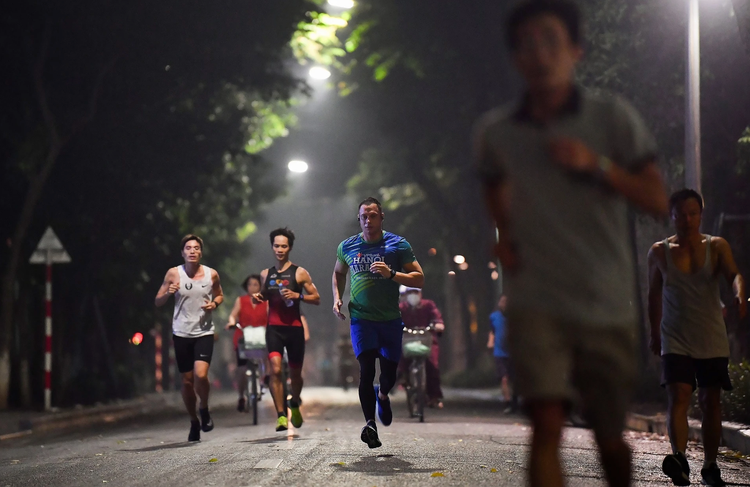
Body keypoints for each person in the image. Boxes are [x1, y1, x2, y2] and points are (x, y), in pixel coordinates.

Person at [475, 2, 669, 486]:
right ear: (515, 57)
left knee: (607, 436)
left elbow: (656, 199)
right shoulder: (497, 134)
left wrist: (597, 165)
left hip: (603, 300)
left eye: (551, 40)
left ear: (576, 49)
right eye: (527, 44)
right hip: (535, 299)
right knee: (545, 426)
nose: (540, 54)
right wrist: (505, 237)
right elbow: (493, 188)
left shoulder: (612, 118)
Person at [648, 189, 746, 487]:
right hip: (675, 336)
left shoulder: (716, 246)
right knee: (678, 394)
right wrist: (654, 332)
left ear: (700, 215)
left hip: (710, 336)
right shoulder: (659, 252)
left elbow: (734, 275)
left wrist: (740, 294)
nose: (687, 220)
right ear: (672, 216)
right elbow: (653, 296)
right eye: (681, 214)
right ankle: (679, 459)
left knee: (710, 400)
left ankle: (710, 465)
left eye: (693, 213)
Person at [332, 197, 425, 449]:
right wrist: (337, 298)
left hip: (390, 320)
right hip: (361, 319)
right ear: (359, 219)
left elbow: (419, 278)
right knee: (366, 370)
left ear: (381, 217)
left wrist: (392, 274)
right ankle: (370, 424)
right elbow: (339, 272)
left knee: (389, 375)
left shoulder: (398, 244)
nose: (368, 220)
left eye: (373, 215)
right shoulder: (347, 246)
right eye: (364, 216)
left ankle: (382, 395)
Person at [155, 234, 224, 442]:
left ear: (200, 252)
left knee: (201, 375)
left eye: (196, 248)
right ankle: (194, 421)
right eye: (188, 248)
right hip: (181, 333)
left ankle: (204, 408)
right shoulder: (174, 274)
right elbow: (158, 301)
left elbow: (219, 294)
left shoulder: (211, 274)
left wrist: (214, 304)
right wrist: (168, 293)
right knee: (186, 382)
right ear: (182, 253)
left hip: (204, 332)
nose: (192, 251)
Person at [253, 228, 321, 432]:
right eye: (276, 246)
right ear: (272, 247)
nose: (280, 249)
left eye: (283, 246)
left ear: (289, 247)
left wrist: (297, 295)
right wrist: (259, 297)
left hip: (294, 329)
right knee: (274, 370)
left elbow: (316, 298)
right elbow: (265, 294)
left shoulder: (299, 273)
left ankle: (295, 402)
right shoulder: (266, 274)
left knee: (296, 375)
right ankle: (281, 415)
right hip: (274, 329)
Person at [225, 274, 269, 412]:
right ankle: (241, 396)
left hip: (262, 337)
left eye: (255, 284)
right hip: (244, 336)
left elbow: (271, 315)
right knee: (242, 368)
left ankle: (265, 378)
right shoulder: (241, 301)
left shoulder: (266, 302)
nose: (252, 287)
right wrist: (232, 322)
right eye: (250, 284)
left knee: (267, 356)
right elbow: (233, 315)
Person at [398, 286, 445, 408]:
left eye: (416, 292)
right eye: (410, 292)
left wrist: (438, 324)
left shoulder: (429, 305)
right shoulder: (401, 308)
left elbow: (436, 317)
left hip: (427, 341)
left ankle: (434, 397)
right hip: (407, 340)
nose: (413, 294)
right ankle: (404, 378)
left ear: (420, 293)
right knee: (400, 357)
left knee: (432, 366)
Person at [487, 294, 516, 412]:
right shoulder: (494, 317)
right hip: (499, 352)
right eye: (502, 301)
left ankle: (514, 401)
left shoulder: (515, 318)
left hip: (513, 353)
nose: (504, 304)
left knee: (514, 379)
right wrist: (490, 342)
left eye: (507, 302)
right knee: (504, 378)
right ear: (499, 303)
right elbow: (492, 331)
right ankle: (507, 402)